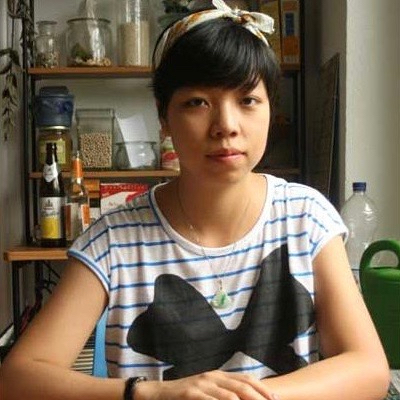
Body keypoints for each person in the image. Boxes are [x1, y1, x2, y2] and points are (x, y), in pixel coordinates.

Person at [0, 1, 390, 399]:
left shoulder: (307, 218)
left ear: (272, 108)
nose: (226, 126)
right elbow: (17, 380)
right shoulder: (114, 241)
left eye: (247, 100)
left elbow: (369, 370)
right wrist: (151, 394)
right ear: (163, 116)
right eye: (197, 102)